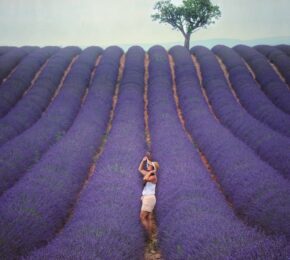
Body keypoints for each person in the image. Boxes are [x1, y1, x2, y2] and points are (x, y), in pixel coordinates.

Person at [138, 153, 160, 242]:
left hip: (149, 198)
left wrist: (150, 172)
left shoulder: (153, 177)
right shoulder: (149, 174)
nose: (148, 166)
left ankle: (150, 237)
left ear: (153, 168)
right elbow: (139, 169)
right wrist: (143, 161)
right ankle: (152, 236)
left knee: (142, 217)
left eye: (149, 165)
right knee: (148, 218)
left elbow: (144, 179)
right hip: (147, 198)